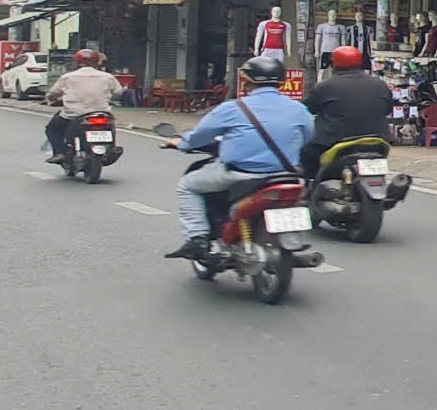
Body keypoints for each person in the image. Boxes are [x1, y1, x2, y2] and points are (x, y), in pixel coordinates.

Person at [166, 56, 312, 260]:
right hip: (287, 176)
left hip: (241, 175)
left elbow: (200, 136)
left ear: (247, 80)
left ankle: (197, 238)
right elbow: (307, 137)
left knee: (187, 185)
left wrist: (181, 143)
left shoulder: (233, 108)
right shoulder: (298, 109)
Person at [301, 45, 393, 173]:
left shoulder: (325, 86)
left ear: (334, 65)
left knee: (306, 153)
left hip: (335, 143)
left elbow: (308, 109)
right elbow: (387, 110)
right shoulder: (380, 85)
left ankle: (313, 183)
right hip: (377, 144)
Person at [43, 49, 123, 163]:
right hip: (102, 113)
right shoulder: (108, 77)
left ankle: (60, 152)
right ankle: (112, 148)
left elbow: (53, 93)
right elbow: (118, 92)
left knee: (52, 129)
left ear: (77, 62)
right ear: (97, 62)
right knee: (110, 125)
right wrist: (109, 98)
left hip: (74, 114)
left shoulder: (67, 77)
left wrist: (50, 98)